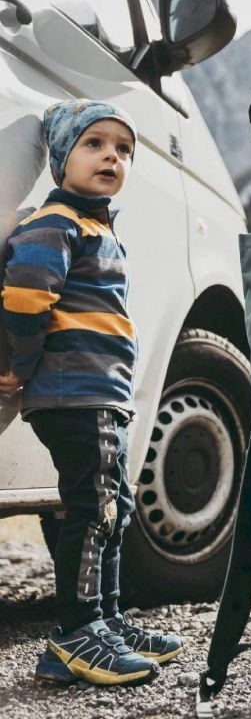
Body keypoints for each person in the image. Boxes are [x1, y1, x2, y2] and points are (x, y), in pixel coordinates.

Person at [0, 99, 183, 686]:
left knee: (115, 507)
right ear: (60, 160)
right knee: (94, 510)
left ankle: (106, 619)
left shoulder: (99, 228)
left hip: (100, 394)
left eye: (123, 150)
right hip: (71, 394)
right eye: (94, 144)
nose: (112, 156)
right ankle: (76, 635)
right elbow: (26, 296)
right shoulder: (55, 223)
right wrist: (20, 364)